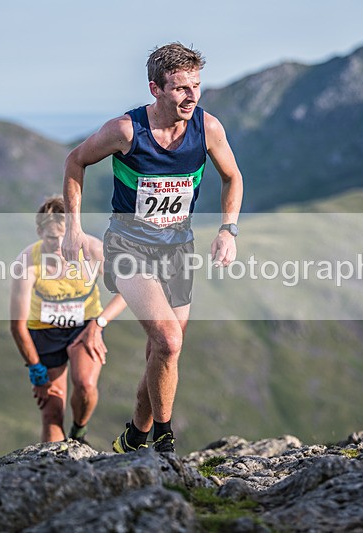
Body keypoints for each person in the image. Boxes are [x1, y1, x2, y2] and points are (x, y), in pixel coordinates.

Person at [61, 43, 244, 454]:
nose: (191, 96)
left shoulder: (207, 128)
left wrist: (228, 229)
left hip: (178, 248)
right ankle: (163, 441)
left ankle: (135, 437)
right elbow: (75, 161)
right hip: (128, 246)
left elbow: (233, 178)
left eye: (196, 86)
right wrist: (73, 228)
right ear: (155, 89)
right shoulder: (126, 131)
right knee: (169, 341)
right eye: (180, 88)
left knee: (160, 352)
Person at [10, 195, 126, 444]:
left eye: (63, 237)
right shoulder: (28, 261)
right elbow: (18, 325)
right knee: (52, 411)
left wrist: (99, 323)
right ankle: (52, 472)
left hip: (85, 326)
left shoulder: (93, 250)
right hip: (44, 331)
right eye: (51, 238)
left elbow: (127, 291)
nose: (58, 244)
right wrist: (36, 372)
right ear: (40, 232)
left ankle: (79, 432)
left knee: (85, 385)